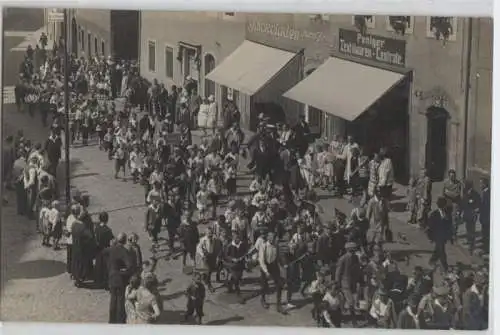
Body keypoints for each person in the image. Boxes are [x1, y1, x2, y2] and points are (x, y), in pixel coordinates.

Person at [108, 232, 134, 324]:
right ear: (125, 240)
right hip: (120, 279)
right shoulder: (124, 251)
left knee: (113, 299)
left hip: (111, 277)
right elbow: (130, 265)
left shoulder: (111, 249)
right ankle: (119, 321)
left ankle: (112, 320)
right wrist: (124, 271)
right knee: (120, 300)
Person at [335, 241, 361, 326]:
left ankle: (341, 315)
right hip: (345, 282)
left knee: (344, 300)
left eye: (354, 250)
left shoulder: (356, 258)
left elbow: (357, 269)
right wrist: (337, 283)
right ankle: (353, 320)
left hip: (353, 282)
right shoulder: (343, 258)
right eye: (352, 250)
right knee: (350, 301)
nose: (353, 252)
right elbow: (338, 272)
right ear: (348, 250)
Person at [258, 230, 285, 313]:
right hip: (265, 266)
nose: (272, 239)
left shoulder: (276, 246)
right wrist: (266, 272)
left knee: (279, 285)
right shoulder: (263, 246)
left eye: (273, 237)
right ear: (267, 237)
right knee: (264, 286)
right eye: (271, 237)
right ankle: (263, 299)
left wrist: (284, 264)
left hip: (274, 266)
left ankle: (279, 305)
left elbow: (279, 257)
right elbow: (261, 260)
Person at [426, 197, 453, 272]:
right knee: (442, 251)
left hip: (444, 236)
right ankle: (445, 266)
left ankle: (432, 260)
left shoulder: (447, 213)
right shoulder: (434, 214)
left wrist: (450, 236)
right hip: (437, 236)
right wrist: (430, 237)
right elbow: (430, 227)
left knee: (438, 250)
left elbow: (449, 225)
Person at [94, 211, 114, 289]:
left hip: (98, 249)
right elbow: (111, 239)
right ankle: (105, 282)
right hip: (105, 249)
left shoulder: (97, 228)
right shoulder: (108, 230)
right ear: (107, 219)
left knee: (98, 264)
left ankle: (98, 280)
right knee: (105, 266)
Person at [461, 180, 480, 254]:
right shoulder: (465, 193)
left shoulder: (475, 194)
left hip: (472, 214)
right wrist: (461, 211)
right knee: (468, 229)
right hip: (466, 214)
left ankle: (471, 246)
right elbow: (463, 203)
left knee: (472, 230)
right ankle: (470, 242)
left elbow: (478, 203)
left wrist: (476, 209)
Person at [479, 178, 490, 253]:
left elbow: (486, 207)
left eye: (481, 183)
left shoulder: (487, 193)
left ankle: (486, 250)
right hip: (484, 217)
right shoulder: (484, 192)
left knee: (486, 234)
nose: (480, 185)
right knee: (484, 233)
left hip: (486, 217)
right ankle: (485, 248)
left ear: (484, 184)